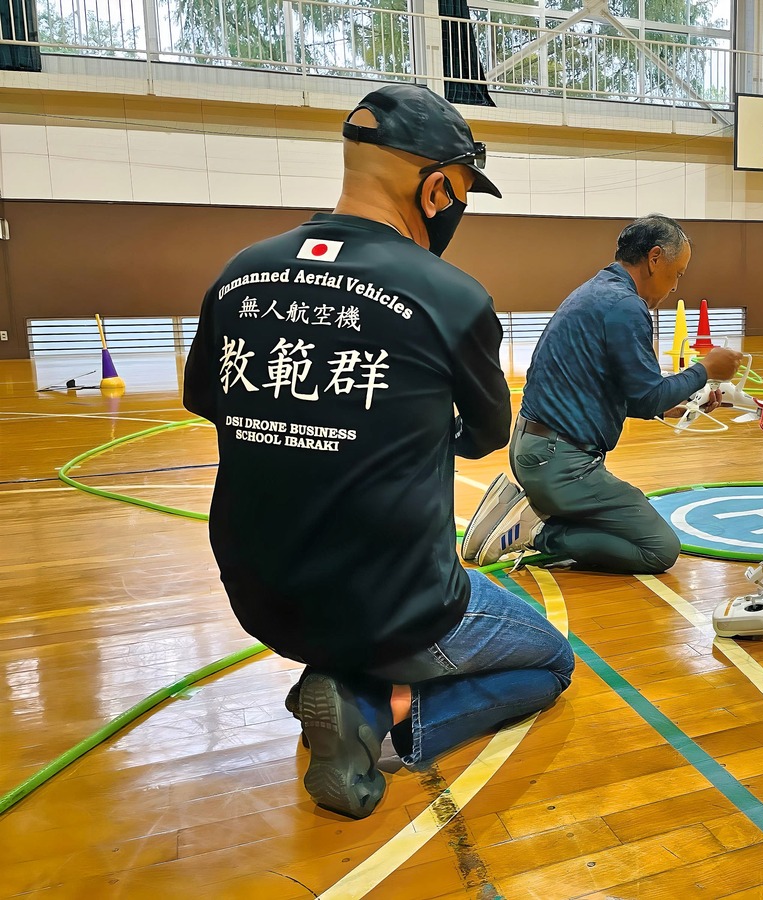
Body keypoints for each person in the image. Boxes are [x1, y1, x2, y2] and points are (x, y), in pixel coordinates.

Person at [182, 84, 574, 820]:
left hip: (261, 593)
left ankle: (338, 675)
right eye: (459, 190)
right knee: (553, 662)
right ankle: (383, 717)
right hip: (400, 604)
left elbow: (213, 404)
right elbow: (489, 435)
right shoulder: (449, 295)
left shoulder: (240, 272)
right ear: (435, 188)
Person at [460, 214, 743, 574]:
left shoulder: (597, 291)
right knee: (658, 548)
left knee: (621, 522)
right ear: (655, 259)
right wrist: (705, 369)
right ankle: (536, 529)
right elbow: (646, 399)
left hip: (536, 450)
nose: (676, 287)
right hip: (561, 465)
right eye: (678, 273)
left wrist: (679, 400)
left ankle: (526, 512)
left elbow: (614, 390)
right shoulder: (626, 306)